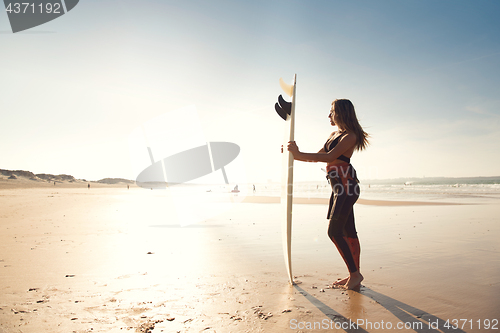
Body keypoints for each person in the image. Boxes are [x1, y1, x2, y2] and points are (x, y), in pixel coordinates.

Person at [287, 99, 369, 290]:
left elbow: (329, 157)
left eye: (331, 111)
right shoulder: (334, 135)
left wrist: (298, 154)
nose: (329, 115)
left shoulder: (351, 136)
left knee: (334, 231)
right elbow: (317, 156)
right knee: (349, 232)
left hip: (347, 188)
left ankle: (355, 274)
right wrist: (293, 154)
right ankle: (353, 274)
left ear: (341, 113)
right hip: (338, 189)